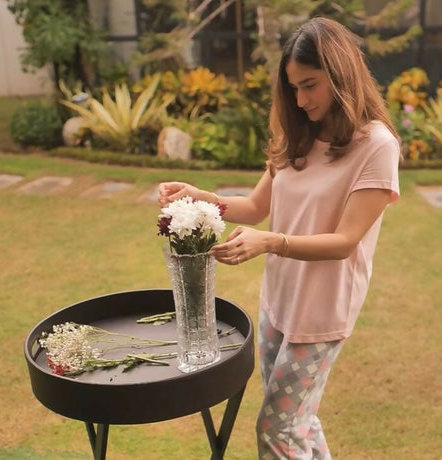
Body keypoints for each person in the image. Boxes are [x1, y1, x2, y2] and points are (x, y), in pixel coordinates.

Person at [158, 17, 400, 460]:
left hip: (321, 313)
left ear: (341, 75)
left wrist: (271, 242)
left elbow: (345, 241)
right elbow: (256, 206)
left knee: (276, 429)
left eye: (310, 85)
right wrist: (202, 196)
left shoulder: (377, 146)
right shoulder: (300, 132)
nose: (300, 100)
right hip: (278, 302)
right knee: (298, 420)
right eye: (293, 88)